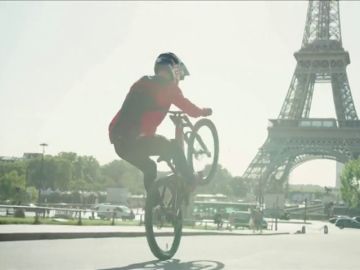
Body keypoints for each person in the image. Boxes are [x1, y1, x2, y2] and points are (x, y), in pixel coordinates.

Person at [108, 52, 212, 195]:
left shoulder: (141, 82)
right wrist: (203, 111)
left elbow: (138, 112)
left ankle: (154, 206)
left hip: (119, 142)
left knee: (150, 167)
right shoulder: (170, 89)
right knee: (174, 149)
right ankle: (190, 180)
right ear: (174, 71)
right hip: (137, 140)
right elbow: (190, 110)